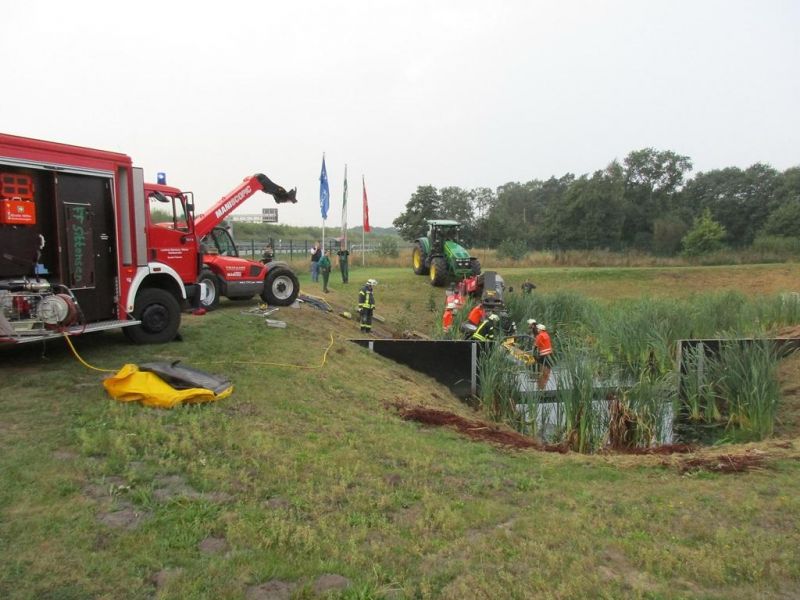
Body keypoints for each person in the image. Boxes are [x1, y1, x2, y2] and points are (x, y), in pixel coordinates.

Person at [533, 323, 554, 389]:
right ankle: (545, 381)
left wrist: (534, 351)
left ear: (539, 329)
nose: (537, 330)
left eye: (538, 329)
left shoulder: (540, 335)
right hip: (549, 353)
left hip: (543, 354)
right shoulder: (546, 334)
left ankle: (541, 385)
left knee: (541, 367)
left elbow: (536, 344)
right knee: (548, 367)